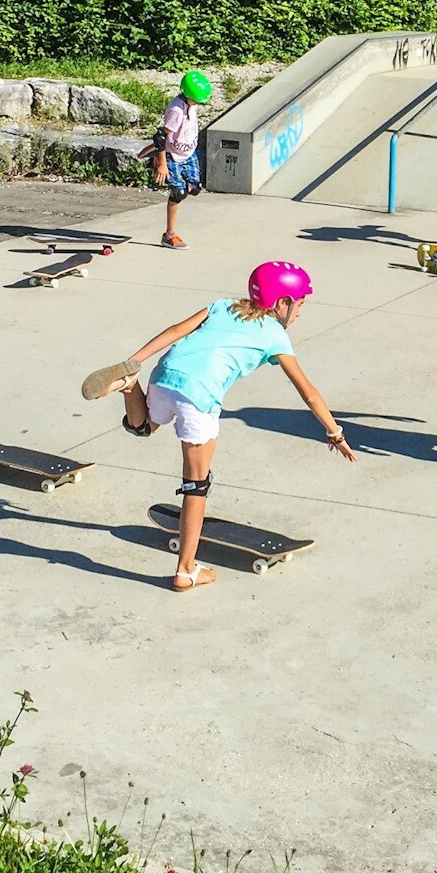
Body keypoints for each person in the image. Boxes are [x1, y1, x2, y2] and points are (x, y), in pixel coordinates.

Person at [79, 261, 355, 590]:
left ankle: (128, 384)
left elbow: (174, 331)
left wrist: (133, 361)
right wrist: (334, 431)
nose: (299, 313)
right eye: (300, 304)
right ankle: (186, 571)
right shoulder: (276, 336)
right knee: (196, 486)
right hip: (199, 394)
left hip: (165, 374)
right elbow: (308, 392)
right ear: (282, 302)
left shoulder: (223, 306)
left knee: (142, 427)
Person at [142, 70, 213, 249]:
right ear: (188, 95)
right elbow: (160, 137)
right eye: (197, 100)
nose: (198, 103)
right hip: (171, 156)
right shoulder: (176, 110)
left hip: (188, 154)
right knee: (179, 193)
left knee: (195, 188)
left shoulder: (191, 104)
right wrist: (163, 164)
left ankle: (175, 178)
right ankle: (169, 236)